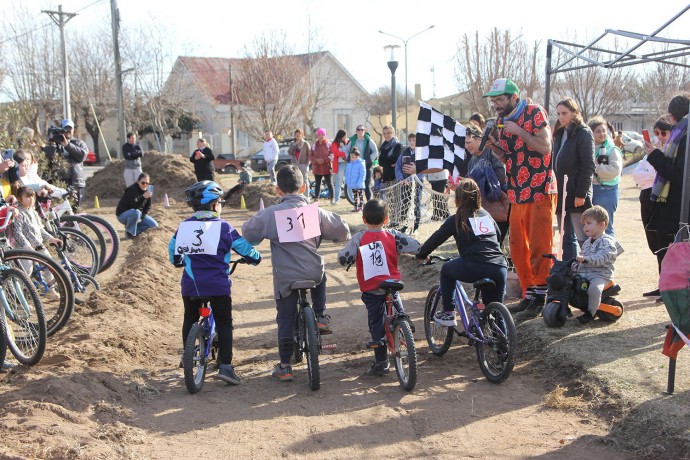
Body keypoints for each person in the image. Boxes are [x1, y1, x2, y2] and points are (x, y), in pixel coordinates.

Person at [241, 165, 350, 382]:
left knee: (285, 318)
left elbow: (249, 234)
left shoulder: (271, 213)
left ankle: (285, 365)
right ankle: (319, 315)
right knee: (321, 271)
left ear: (277, 190)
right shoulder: (314, 212)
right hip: (313, 272)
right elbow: (343, 231)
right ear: (303, 187)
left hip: (286, 277)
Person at [169, 181, 261, 385]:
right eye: (220, 202)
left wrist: (178, 262)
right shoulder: (224, 227)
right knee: (225, 322)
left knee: (189, 317)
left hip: (192, 285)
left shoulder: (184, 227)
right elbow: (245, 249)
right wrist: (255, 258)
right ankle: (226, 367)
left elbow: (173, 251)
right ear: (214, 205)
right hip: (218, 286)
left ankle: (188, 356)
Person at [484, 78, 556, 320]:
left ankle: (541, 295)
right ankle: (529, 294)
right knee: (517, 248)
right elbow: (510, 158)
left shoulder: (534, 112)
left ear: (514, 97)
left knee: (539, 245)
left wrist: (520, 131)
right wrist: (496, 148)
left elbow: (545, 146)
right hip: (517, 190)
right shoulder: (502, 120)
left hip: (539, 188)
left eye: (500, 100)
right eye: (493, 101)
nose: (496, 105)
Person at [337, 198, 420, 375]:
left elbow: (343, 258)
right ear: (386, 219)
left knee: (376, 322)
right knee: (396, 306)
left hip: (372, 288)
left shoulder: (360, 238)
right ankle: (403, 323)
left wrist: (351, 257)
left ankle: (381, 361)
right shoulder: (392, 235)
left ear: (364, 219)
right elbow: (415, 246)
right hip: (393, 284)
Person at [416, 178, 508, 326]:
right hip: (499, 266)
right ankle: (504, 345)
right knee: (496, 312)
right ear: (478, 197)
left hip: (474, 265)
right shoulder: (486, 215)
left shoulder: (457, 218)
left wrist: (420, 254)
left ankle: (448, 313)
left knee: (446, 270)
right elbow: (497, 237)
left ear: (458, 199)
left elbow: (436, 239)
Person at [646, 92, 690, 291]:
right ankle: (667, 286)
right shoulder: (682, 132)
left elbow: (679, 174)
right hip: (674, 203)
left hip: (679, 204)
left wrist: (655, 156)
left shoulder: (685, 135)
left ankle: (673, 287)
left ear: (673, 116)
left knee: (672, 246)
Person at [552, 98, 596, 260]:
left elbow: (588, 165)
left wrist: (581, 193)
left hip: (576, 194)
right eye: (558, 114)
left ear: (574, 113)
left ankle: (591, 271)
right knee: (565, 237)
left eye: (565, 113)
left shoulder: (583, 132)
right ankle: (569, 273)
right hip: (561, 194)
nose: (561, 117)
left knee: (583, 237)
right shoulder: (560, 133)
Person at [634, 116, 672, 294]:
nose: (659, 137)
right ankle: (662, 284)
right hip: (646, 198)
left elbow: (662, 172)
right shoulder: (652, 152)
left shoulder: (673, 152)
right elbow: (637, 175)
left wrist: (652, 167)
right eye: (656, 133)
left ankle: (668, 286)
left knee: (666, 245)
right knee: (654, 244)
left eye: (663, 133)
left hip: (663, 200)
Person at [573, 206, 624, 325]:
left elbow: (601, 258)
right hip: (586, 274)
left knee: (594, 288)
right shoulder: (587, 242)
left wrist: (586, 260)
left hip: (600, 275)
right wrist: (575, 265)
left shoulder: (607, 242)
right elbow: (582, 257)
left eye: (589, 223)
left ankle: (590, 313)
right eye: (584, 224)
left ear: (602, 225)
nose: (585, 226)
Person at [464, 122, 510, 245]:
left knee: (496, 243)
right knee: (485, 243)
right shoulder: (472, 162)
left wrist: (481, 179)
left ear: (479, 138)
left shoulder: (491, 152)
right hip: (482, 209)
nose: (466, 146)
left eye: (468, 142)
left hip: (498, 205)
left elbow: (501, 177)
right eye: (465, 143)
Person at [588, 116, 623, 237]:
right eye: (597, 131)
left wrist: (595, 168)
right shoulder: (587, 148)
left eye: (604, 130)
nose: (602, 134)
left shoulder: (612, 149)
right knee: (591, 227)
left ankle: (609, 254)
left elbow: (614, 170)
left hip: (607, 191)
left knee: (605, 227)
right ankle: (595, 254)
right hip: (590, 189)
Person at [394, 132, 424, 234]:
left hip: (417, 183)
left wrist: (414, 179)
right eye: (410, 140)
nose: (412, 142)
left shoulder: (421, 154)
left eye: (414, 140)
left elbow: (424, 169)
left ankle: (416, 226)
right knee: (405, 203)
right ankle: (404, 224)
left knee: (416, 203)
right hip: (404, 183)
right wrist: (401, 178)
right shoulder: (404, 152)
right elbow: (398, 167)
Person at [115, 173, 158, 238]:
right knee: (136, 212)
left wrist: (142, 217)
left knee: (154, 225)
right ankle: (130, 232)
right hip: (123, 215)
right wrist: (143, 197)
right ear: (138, 182)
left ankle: (133, 233)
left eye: (147, 183)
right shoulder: (132, 190)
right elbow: (134, 206)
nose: (145, 185)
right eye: (143, 183)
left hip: (137, 215)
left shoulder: (148, 191)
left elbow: (147, 207)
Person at [57, 119, 88, 209]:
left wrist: (67, 145)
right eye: (65, 128)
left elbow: (82, 156)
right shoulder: (57, 144)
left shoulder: (79, 143)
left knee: (74, 209)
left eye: (70, 128)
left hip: (76, 183)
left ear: (73, 130)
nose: (68, 131)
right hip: (61, 182)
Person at [348, 125, 378, 201]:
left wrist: (369, 159)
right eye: (359, 130)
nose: (360, 131)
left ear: (365, 131)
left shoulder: (369, 140)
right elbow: (346, 150)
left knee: (366, 183)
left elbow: (375, 151)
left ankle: (369, 202)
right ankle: (358, 204)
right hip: (355, 165)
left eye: (362, 130)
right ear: (356, 131)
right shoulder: (352, 141)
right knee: (356, 185)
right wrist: (349, 157)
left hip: (367, 165)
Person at [310, 128, 334, 203]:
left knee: (329, 183)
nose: (321, 136)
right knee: (317, 183)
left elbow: (332, 155)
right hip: (317, 168)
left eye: (322, 135)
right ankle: (316, 198)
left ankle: (332, 198)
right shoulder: (314, 145)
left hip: (326, 167)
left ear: (325, 135)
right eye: (319, 135)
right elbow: (310, 156)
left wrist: (324, 160)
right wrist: (316, 161)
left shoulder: (329, 144)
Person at [288, 128, 311, 198]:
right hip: (295, 164)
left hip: (303, 164)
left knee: (305, 180)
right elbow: (289, 152)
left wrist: (308, 162)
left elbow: (309, 153)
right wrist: (295, 145)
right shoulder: (292, 143)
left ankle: (306, 196)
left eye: (299, 134)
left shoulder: (305, 143)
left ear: (302, 135)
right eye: (296, 134)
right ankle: (297, 196)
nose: (297, 135)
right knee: (295, 180)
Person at [330, 129, 349, 205]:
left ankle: (351, 198)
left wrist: (344, 152)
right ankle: (337, 199)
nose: (346, 137)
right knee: (338, 183)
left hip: (347, 164)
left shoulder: (347, 142)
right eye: (344, 136)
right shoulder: (334, 143)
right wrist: (344, 153)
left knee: (348, 182)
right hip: (340, 164)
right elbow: (336, 153)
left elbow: (349, 151)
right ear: (341, 136)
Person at [345, 148, 366, 212]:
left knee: (360, 195)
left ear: (357, 156)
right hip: (353, 183)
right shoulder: (349, 164)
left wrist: (360, 182)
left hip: (359, 184)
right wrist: (347, 181)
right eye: (351, 157)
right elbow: (347, 173)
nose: (351, 158)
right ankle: (355, 206)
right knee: (355, 196)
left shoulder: (361, 164)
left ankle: (361, 206)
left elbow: (362, 174)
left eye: (353, 157)